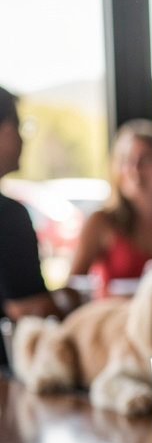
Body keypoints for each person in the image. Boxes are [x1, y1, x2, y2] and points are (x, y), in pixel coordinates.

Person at [68, 120, 152, 298]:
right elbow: (73, 287)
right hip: (117, 321)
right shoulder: (102, 222)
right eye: (126, 161)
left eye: (145, 160)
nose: (134, 170)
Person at [0, 86, 79, 369]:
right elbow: (27, 308)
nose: (22, 139)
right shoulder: (8, 215)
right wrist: (73, 302)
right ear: (6, 130)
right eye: (21, 127)